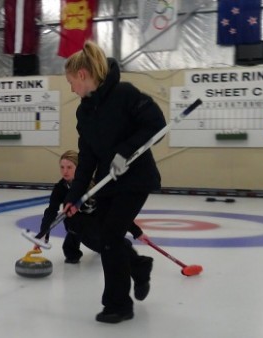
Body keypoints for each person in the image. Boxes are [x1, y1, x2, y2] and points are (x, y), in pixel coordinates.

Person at [62, 40, 166, 324]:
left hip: (135, 178)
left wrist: (125, 151)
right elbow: (88, 157)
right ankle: (139, 265)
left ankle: (118, 304)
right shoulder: (84, 111)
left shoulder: (125, 94)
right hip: (109, 181)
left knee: (109, 236)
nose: (71, 88)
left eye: (71, 82)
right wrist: (74, 196)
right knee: (101, 234)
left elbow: (157, 125)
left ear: (82, 75)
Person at [37, 150, 153, 300]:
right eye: (62, 167)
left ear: (79, 168)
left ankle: (138, 265)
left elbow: (114, 212)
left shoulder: (97, 186)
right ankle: (72, 251)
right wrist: (42, 233)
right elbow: (51, 210)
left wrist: (137, 232)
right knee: (74, 221)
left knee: (109, 246)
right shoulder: (60, 188)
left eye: (69, 167)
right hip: (81, 225)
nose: (64, 171)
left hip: (97, 225)